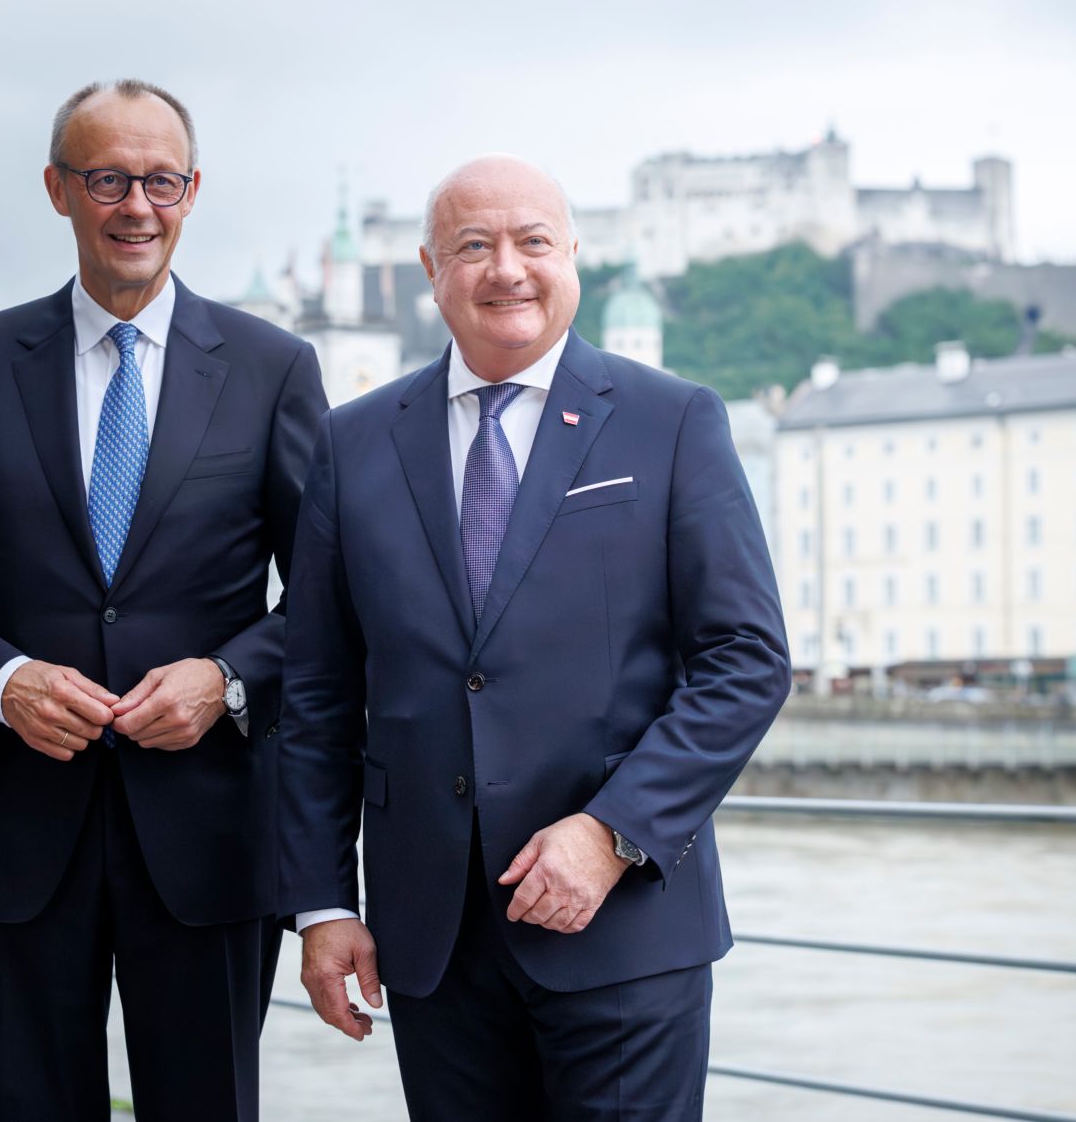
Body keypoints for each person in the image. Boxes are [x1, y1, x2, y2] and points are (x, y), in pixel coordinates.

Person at [277, 155, 790, 1120]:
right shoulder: (352, 445)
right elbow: (317, 691)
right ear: (430, 269)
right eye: (474, 246)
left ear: (574, 257)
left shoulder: (672, 421)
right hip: (430, 942)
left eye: (532, 242)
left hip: (625, 928)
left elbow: (747, 661)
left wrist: (611, 832)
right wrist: (322, 903)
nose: (506, 268)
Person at [0, 78, 327, 1121]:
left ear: (192, 189)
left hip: (211, 838)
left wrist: (226, 681)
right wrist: (2, 683)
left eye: (159, 180)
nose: (136, 207)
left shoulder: (272, 369)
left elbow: (329, 599)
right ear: (58, 190)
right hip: (18, 834)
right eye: (108, 179)